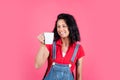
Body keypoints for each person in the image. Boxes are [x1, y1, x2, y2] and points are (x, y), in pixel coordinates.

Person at [35, 13, 85, 80]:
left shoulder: (78, 49)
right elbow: (37, 65)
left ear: (71, 27)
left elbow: (79, 76)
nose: (60, 29)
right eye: (58, 26)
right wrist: (42, 46)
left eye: (64, 26)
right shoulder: (51, 45)